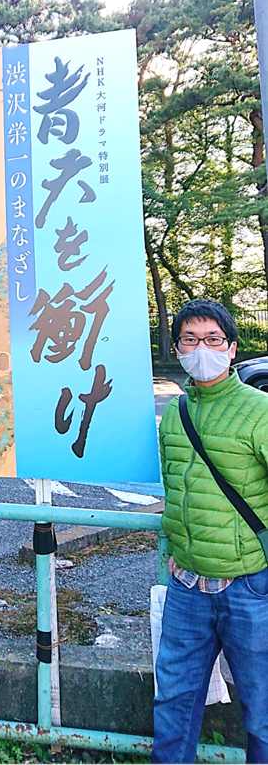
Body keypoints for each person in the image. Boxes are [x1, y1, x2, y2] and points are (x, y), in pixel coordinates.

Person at [152, 298, 268, 764]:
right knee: (172, 707)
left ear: (232, 347)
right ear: (177, 349)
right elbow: (176, 487)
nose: (202, 349)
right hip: (186, 589)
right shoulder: (175, 415)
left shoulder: (258, 410)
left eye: (213, 340)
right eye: (190, 340)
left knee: (262, 713)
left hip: (249, 589)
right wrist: (178, 548)